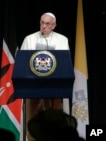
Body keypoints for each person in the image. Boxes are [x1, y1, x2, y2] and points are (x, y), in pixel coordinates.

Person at [20, 12, 70, 141]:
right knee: (33, 119)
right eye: (42, 23)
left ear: (54, 25)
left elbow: (64, 63)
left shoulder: (62, 40)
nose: (44, 26)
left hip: (54, 87)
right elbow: (23, 63)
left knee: (54, 121)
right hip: (33, 88)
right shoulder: (29, 39)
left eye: (47, 24)